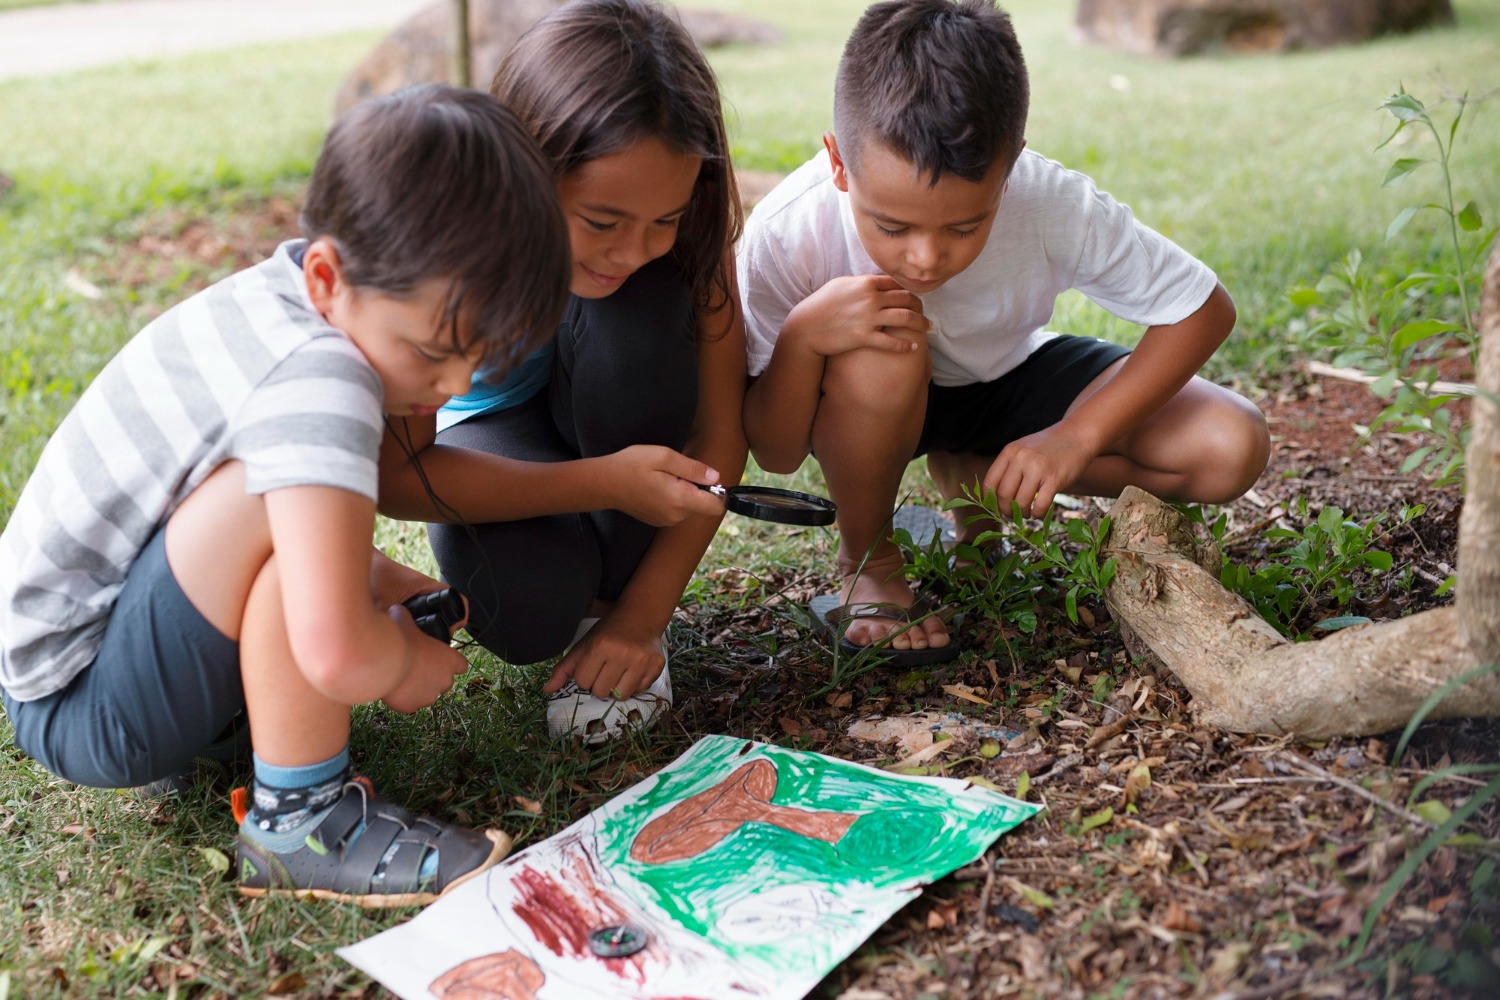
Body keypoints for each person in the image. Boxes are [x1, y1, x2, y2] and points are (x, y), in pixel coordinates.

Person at [0, 86, 572, 905]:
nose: (448, 386)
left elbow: (229, 526)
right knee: (283, 516)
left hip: (94, 656)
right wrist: (402, 661)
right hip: (84, 704)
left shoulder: (287, 302)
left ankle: (246, 738)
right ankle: (300, 825)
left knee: (289, 511)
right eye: (432, 352)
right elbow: (336, 648)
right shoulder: (321, 379)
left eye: (479, 359)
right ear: (328, 275)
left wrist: (372, 579)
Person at [738, 0, 1270, 665]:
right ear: (839, 163)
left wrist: (1077, 437)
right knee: (886, 344)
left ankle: (979, 475)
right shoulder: (787, 231)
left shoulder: (1051, 201)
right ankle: (868, 556)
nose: (926, 258)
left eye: (964, 227)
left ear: (1011, 163)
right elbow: (776, 451)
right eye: (893, 227)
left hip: (1003, 380)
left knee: (1229, 445)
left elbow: (1202, 308)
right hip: (862, 403)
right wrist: (805, 337)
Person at [379, 0, 748, 744]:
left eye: (664, 219)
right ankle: (578, 607)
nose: (631, 249)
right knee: (525, 613)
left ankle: (615, 613)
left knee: (637, 326)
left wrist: (643, 620)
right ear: (527, 169)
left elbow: (718, 435)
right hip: (497, 430)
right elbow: (401, 476)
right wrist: (603, 481)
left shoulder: (685, 242)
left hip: (616, 394)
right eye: (602, 222)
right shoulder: (445, 255)